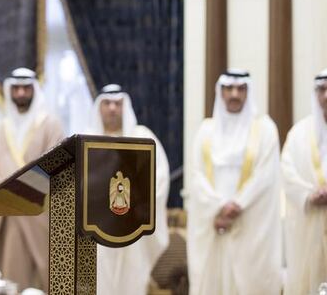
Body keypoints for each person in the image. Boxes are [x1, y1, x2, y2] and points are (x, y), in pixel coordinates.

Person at [187, 69, 282, 295]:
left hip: (250, 224)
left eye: (241, 89)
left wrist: (236, 205)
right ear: (220, 92)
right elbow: (196, 175)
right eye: (229, 88)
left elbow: (265, 176)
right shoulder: (205, 130)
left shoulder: (265, 129)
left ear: (249, 92)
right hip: (213, 223)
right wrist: (218, 207)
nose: (234, 94)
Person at [0, 68, 64, 291]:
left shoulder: (50, 126)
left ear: (35, 89)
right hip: (5, 217)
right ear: (9, 91)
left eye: (26, 88)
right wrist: (7, 192)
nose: (21, 93)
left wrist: (23, 192)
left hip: (37, 215)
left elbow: (59, 168)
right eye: (16, 88)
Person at [87, 84, 169, 295]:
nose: (113, 108)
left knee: (131, 283)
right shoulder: (85, 139)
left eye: (118, 103)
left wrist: (137, 207)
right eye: (107, 103)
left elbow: (159, 178)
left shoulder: (142, 136)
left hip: (133, 229)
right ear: (99, 107)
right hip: (97, 230)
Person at [281, 68, 327, 295]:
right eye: (322, 89)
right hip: (310, 225)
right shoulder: (298, 134)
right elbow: (288, 174)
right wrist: (309, 195)